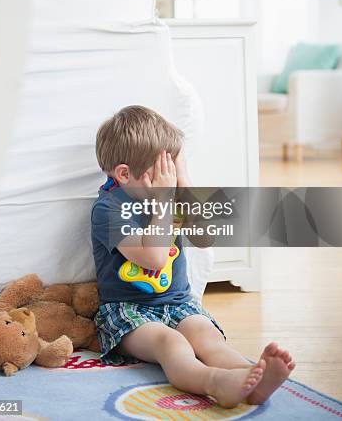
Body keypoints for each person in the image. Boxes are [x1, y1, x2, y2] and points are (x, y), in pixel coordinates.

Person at [91, 105, 295, 408]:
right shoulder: (108, 210)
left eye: (172, 168)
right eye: (162, 171)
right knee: (172, 343)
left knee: (207, 337)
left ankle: (251, 375)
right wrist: (163, 201)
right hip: (129, 312)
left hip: (179, 303)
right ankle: (214, 382)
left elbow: (205, 239)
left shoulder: (170, 196)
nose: (168, 179)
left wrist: (184, 185)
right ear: (124, 174)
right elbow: (155, 258)